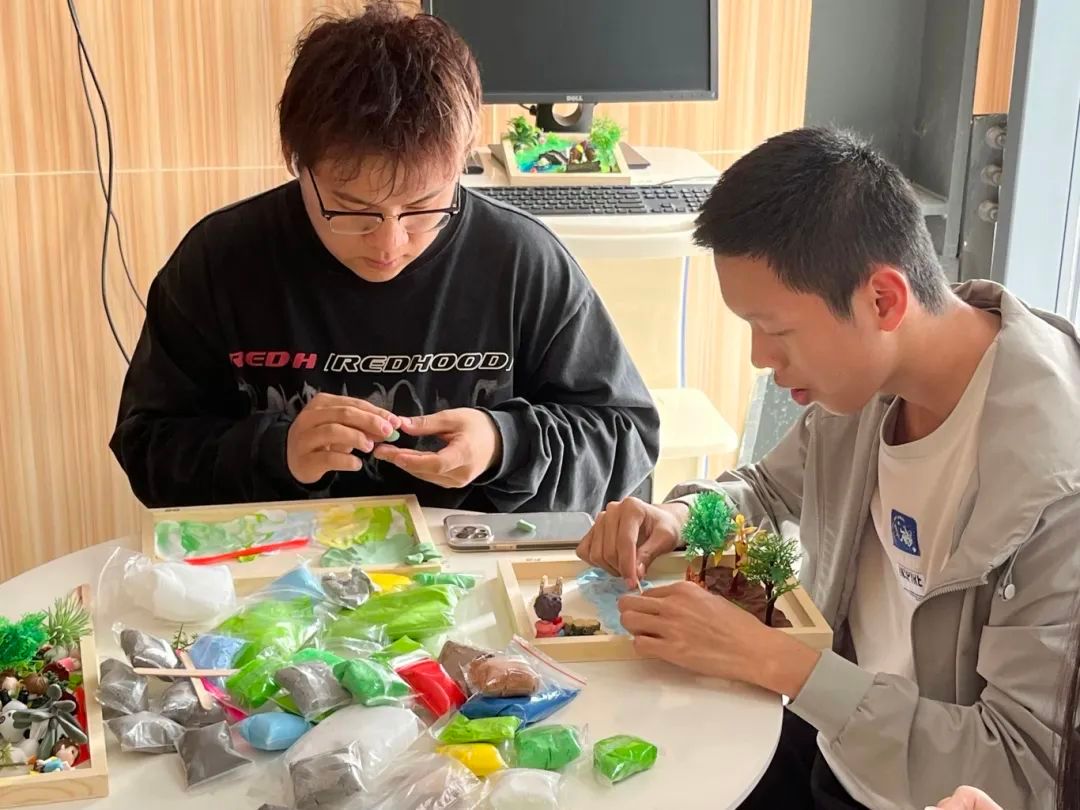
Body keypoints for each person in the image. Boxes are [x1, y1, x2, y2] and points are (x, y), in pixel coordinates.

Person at [576, 127, 1080, 809]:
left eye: (775, 329)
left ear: (883, 301)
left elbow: (1019, 768)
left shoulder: (1058, 487)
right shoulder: (867, 382)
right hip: (824, 741)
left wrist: (770, 658)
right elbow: (763, 489)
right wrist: (678, 516)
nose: (760, 358)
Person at [110, 3, 658, 513]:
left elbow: (627, 437)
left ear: (459, 165)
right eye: (353, 211)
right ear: (297, 162)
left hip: (473, 569)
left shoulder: (521, 262)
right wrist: (277, 451)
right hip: (277, 570)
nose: (390, 244)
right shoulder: (220, 262)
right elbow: (146, 445)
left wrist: (503, 443)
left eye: (423, 208)